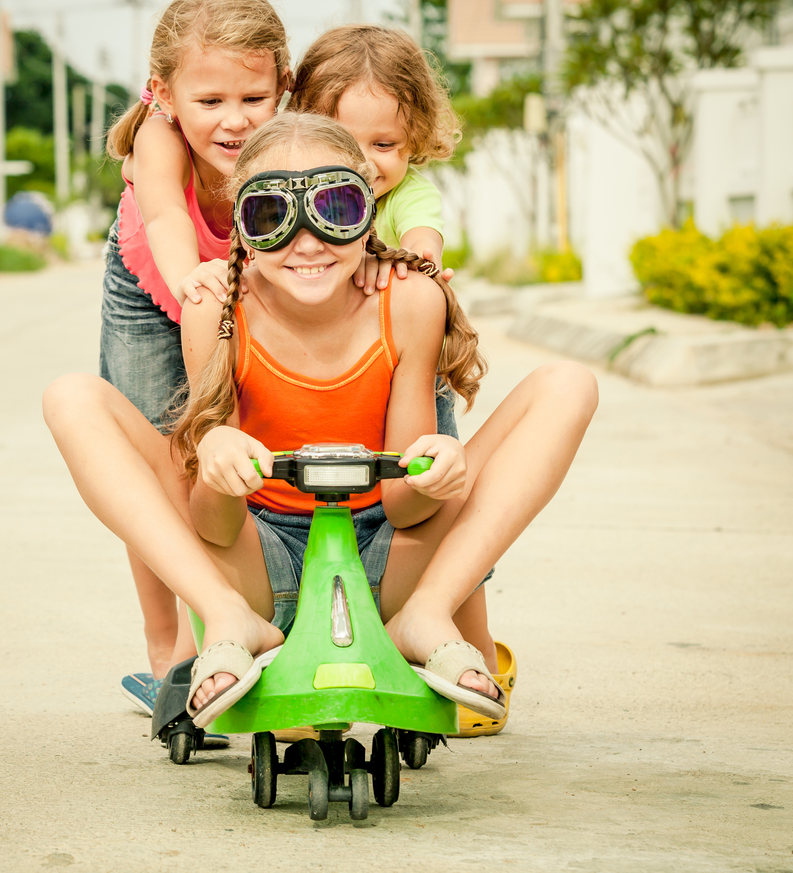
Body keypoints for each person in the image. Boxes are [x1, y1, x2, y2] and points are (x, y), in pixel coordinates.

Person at [43, 113, 598, 734]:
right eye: (270, 216)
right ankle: (224, 616)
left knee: (567, 385)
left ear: (369, 207)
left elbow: (406, 510)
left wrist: (439, 469)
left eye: (334, 207)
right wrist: (218, 461)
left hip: (387, 562)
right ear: (242, 227)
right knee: (73, 398)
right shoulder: (218, 309)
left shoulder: (411, 300)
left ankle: (428, 613)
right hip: (256, 564)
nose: (307, 243)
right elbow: (213, 525)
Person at [99, 0, 290, 712]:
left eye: (255, 98)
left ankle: (240, 618)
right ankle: (168, 652)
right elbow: (167, 225)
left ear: (285, 85)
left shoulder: (289, 140)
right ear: (163, 95)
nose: (235, 121)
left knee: (228, 456)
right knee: (157, 457)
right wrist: (195, 290)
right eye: (210, 102)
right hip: (154, 285)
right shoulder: (158, 135)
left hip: (235, 285)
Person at [289, 24, 461, 438]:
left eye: (383, 145)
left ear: (414, 136)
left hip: (397, 349)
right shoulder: (295, 191)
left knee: (425, 436)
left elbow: (422, 236)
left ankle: (432, 475)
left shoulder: (408, 191)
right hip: (318, 351)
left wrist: (418, 262)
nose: (362, 164)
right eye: (342, 142)